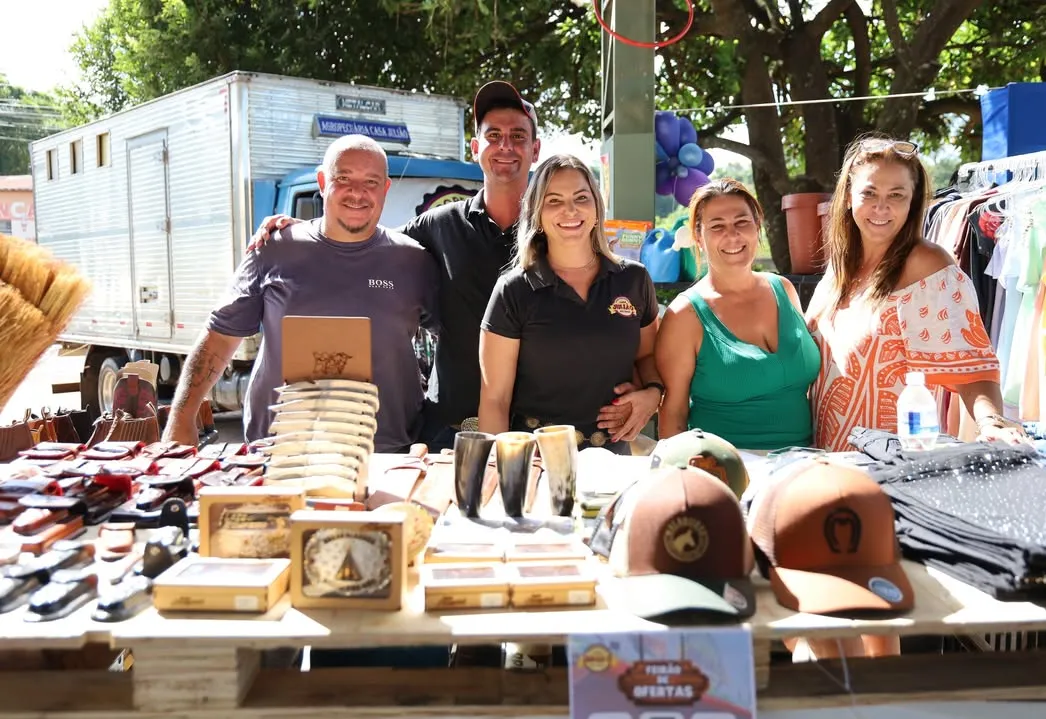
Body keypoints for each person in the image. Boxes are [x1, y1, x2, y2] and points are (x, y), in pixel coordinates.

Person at [249, 81, 635, 450]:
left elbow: (615, 331)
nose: (506, 146)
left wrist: (649, 388)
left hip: (545, 431)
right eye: (493, 135)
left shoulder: (560, 232)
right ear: (475, 148)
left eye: (518, 136)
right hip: (453, 431)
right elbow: (366, 243)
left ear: (535, 150)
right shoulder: (439, 226)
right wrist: (311, 229)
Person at [162, 135, 438, 453]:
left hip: (384, 452)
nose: (357, 193)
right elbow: (220, 339)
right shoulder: (274, 248)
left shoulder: (413, 260)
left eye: (371, 182)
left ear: (385, 188)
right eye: (343, 179)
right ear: (322, 182)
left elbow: (452, 343)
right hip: (280, 448)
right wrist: (181, 419)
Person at [807, 135, 1026, 452]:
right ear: (848, 197)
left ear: (912, 203)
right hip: (828, 462)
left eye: (896, 195)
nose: (881, 206)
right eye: (869, 193)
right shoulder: (840, 268)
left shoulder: (927, 266)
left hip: (892, 470)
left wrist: (991, 422)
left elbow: (973, 367)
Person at [477, 154, 663, 452]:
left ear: (597, 207)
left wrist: (652, 395)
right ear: (536, 213)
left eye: (581, 197)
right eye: (554, 201)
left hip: (612, 459)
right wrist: (502, 475)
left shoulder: (634, 279)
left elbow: (648, 357)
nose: (570, 210)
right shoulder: (513, 290)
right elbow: (494, 400)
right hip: (535, 460)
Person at [655, 179, 820, 451]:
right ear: (698, 236)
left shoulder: (784, 289)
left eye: (742, 222)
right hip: (726, 472)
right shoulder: (685, 315)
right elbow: (672, 414)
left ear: (758, 227)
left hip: (803, 466)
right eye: (717, 226)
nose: (732, 235)